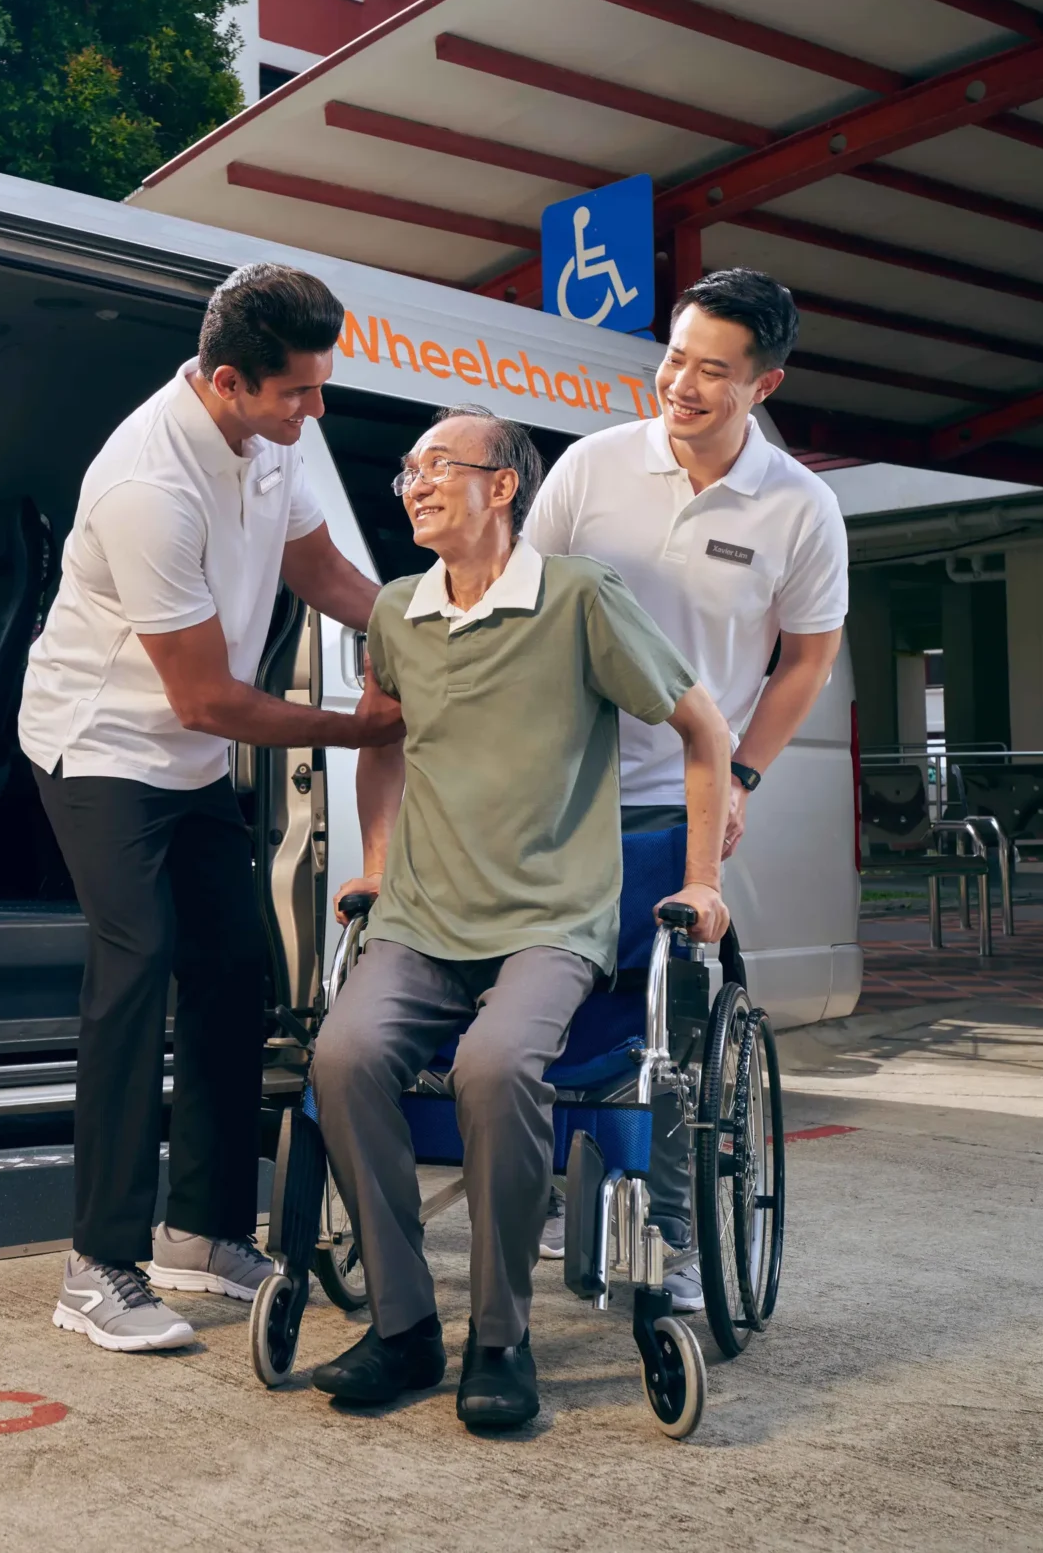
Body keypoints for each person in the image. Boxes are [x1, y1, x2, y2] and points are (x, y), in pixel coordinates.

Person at [311, 407, 734, 1431]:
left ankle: (499, 1338)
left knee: (493, 1068)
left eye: (436, 467)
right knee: (341, 1058)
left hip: (550, 920)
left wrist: (702, 875)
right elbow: (381, 738)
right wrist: (376, 865)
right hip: (419, 918)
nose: (412, 484)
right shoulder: (398, 610)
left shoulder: (579, 596)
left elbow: (701, 729)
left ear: (501, 487)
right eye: (406, 471)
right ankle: (406, 1327)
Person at [20, 263, 400, 1354]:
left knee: (235, 976)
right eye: (297, 393)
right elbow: (208, 697)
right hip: (100, 747)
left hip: (184, 760)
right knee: (135, 970)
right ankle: (96, 1267)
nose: (315, 411)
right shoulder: (149, 483)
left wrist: (423, 629)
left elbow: (319, 565)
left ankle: (203, 1232)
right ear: (227, 381)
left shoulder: (272, 439)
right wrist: (355, 728)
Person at [521, 267, 848, 1309]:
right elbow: (519, 606)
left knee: (676, 1034)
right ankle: (525, 1188)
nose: (682, 384)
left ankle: (674, 1243)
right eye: (673, 358)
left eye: (713, 370)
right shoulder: (588, 467)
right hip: (553, 795)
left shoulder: (800, 508)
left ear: (764, 384)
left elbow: (805, 658)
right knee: (524, 1003)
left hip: (679, 797)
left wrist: (742, 768)